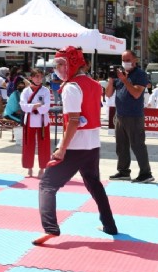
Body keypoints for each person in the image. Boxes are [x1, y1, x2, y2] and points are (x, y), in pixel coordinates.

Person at [33, 46, 118, 245]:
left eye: (62, 64)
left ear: (73, 63)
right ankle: (109, 225)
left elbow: (73, 120)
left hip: (76, 146)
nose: (59, 69)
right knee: (94, 184)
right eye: (57, 65)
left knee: (47, 184)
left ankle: (51, 229)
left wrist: (61, 149)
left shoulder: (71, 87)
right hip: (92, 144)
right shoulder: (94, 84)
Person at [105, 50, 154, 183]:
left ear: (135, 60)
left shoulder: (140, 75)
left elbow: (136, 93)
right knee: (121, 146)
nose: (125, 63)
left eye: (128, 60)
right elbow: (108, 94)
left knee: (137, 145)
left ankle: (146, 173)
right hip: (120, 115)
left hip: (134, 116)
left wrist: (124, 80)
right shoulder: (119, 75)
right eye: (123, 60)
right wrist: (111, 79)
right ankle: (123, 171)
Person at [20, 69, 51, 179]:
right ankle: (29, 168)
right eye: (36, 76)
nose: (38, 79)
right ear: (31, 78)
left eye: (40, 76)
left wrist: (33, 107)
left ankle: (42, 169)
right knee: (28, 144)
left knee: (44, 145)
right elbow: (23, 106)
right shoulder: (26, 91)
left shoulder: (45, 91)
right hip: (29, 120)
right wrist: (35, 106)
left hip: (42, 121)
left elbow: (47, 106)